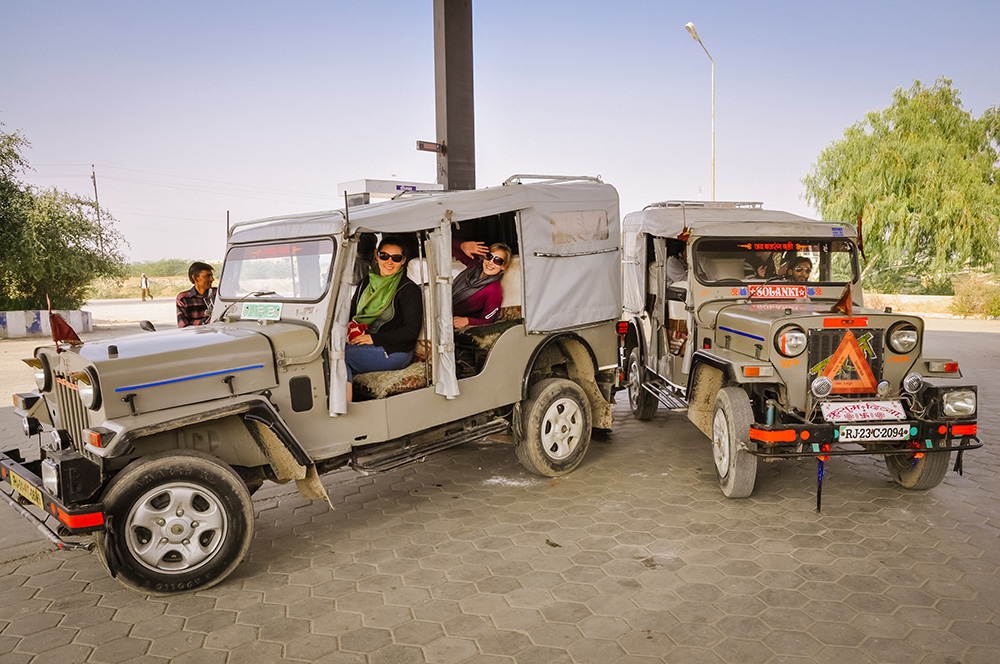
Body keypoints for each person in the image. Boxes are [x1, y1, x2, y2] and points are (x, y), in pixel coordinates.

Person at [346, 236, 424, 400]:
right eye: (384, 256)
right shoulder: (366, 281)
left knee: (339, 356)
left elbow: (411, 331)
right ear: (376, 254)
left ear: (403, 261)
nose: (389, 262)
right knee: (327, 350)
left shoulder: (408, 290)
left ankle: (344, 407)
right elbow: (351, 314)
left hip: (395, 351)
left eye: (396, 258)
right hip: (362, 342)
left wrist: (373, 338)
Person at [451, 240, 511, 328]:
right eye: (489, 256)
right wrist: (462, 245)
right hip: (437, 301)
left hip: (445, 316)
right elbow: (445, 243)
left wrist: (467, 321)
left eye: (497, 261)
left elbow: (488, 321)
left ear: (503, 267)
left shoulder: (494, 290)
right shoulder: (475, 265)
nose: (490, 262)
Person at [176, 262, 216, 327]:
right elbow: (183, 325)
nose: (212, 279)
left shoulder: (218, 294)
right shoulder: (183, 298)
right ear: (195, 278)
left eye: (212, 276)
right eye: (208, 276)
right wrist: (208, 323)